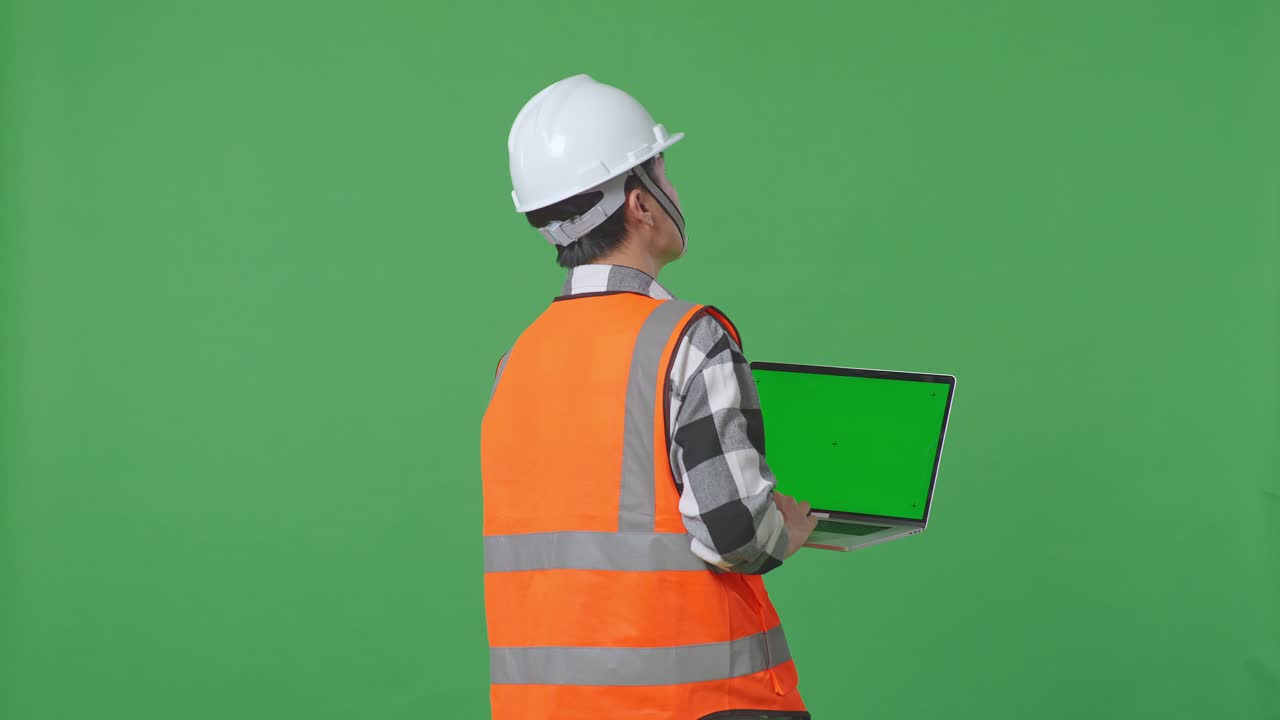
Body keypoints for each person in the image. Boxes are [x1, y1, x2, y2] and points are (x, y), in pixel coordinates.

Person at [481, 74, 819, 720]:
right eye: (663, 171)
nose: (673, 190)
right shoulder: (690, 343)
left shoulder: (514, 365)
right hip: (695, 708)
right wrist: (788, 526)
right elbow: (737, 532)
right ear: (640, 204)